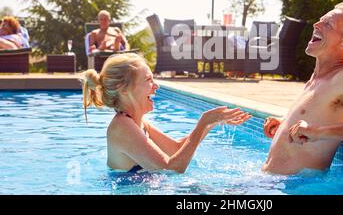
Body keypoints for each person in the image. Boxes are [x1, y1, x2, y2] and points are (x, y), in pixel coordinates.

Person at [262, 2, 343, 175]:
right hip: (274, 183)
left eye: (328, 24)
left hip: (298, 187)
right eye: (320, 21)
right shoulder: (316, 79)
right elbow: (317, 116)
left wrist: (319, 132)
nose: (316, 25)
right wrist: (284, 124)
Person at [82, 53, 251, 173]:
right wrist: (203, 123)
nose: (156, 86)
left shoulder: (138, 123)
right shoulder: (122, 128)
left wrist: (212, 122)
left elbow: (175, 150)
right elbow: (171, 169)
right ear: (124, 90)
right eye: (148, 80)